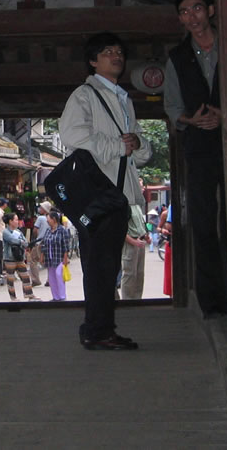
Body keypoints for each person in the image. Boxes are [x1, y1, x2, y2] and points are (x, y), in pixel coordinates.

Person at [59, 32, 151, 350]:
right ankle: (97, 330)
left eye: (119, 51)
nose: (116, 55)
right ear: (93, 61)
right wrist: (117, 146)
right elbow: (71, 134)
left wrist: (137, 144)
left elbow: (139, 147)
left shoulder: (123, 98)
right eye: (108, 51)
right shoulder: (84, 95)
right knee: (100, 265)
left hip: (118, 193)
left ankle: (99, 328)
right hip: (98, 193)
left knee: (106, 265)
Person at [163, 0, 227, 319]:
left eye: (197, 9)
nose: (192, 17)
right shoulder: (177, 57)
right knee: (203, 222)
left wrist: (226, 115)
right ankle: (212, 303)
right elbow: (173, 107)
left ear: (211, 10)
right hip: (199, 146)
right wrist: (192, 119)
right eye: (185, 12)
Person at [1, 212, 39, 301]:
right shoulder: (5, 232)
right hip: (9, 258)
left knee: (25, 276)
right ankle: (13, 297)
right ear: (10, 221)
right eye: (16, 219)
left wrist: (25, 243)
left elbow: (25, 241)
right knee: (10, 279)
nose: (18, 221)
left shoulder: (18, 231)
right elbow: (12, 240)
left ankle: (30, 295)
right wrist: (21, 242)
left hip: (20, 258)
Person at [120, 206, 150, 299]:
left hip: (139, 241)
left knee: (139, 274)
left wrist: (145, 235)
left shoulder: (137, 206)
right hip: (130, 243)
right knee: (130, 274)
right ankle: (127, 301)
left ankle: (137, 300)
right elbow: (119, 228)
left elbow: (140, 224)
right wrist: (133, 241)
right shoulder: (123, 205)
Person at [42, 211, 71, 301]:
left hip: (59, 258)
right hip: (49, 259)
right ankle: (55, 297)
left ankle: (62, 296)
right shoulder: (48, 231)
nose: (47, 221)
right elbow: (44, 244)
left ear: (54, 219)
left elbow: (66, 246)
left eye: (48, 219)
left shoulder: (62, 230)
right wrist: (42, 256)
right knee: (51, 278)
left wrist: (65, 259)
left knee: (59, 276)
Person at [28, 201, 51, 286]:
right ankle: (50, 279)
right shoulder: (51, 218)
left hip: (39, 242)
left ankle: (35, 279)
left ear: (44, 209)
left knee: (33, 260)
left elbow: (35, 230)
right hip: (48, 242)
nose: (39, 209)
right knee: (48, 261)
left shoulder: (40, 218)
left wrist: (35, 238)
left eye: (41, 207)